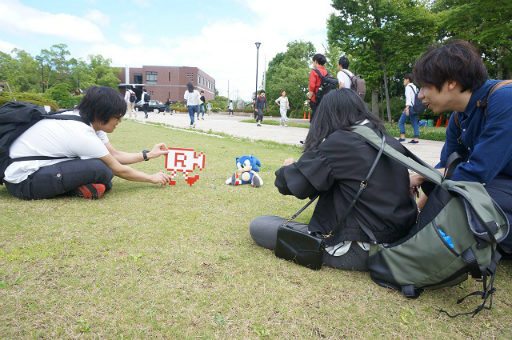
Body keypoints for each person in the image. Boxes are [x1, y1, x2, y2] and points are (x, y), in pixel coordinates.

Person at [250, 89, 417, 270]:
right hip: (398, 243)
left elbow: (289, 184)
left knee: (259, 225)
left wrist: (287, 169)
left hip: (359, 251)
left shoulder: (343, 140)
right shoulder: (388, 140)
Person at [410, 40, 512, 255]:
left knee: (461, 197)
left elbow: (477, 172)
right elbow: (445, 169)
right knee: (445, 188)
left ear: (450, 83)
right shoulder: (458, 117)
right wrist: (414, 215)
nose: (420, 96)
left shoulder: (505, 99)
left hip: (501, 186)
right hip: (502, 186)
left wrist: (421, 176)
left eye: (424, 86)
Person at [3, 86, 171, 200]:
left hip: (39, 169)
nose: (119, 122)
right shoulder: (81, 133)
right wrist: (151, 178)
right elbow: (117, 168)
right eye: (117, 117)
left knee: (101, 168)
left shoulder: (86, 120)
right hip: (24, 182)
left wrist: (149, 155)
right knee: (102, 170)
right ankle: (79, 188)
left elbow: (114, 155)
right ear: (102, 114)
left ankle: (82, 186)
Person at [397, 74, 420, 144]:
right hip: (416, 108)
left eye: (404, 79)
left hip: (410, 107)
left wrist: (407, 108)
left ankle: (402, 137)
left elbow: (409, 99)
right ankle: (416, 139)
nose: (404, 81)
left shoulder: (408, 87)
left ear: (407, 79)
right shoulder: (415, 87)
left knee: (401, 122)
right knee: (414, 123)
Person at [307, 53, 328, 122]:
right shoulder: (327, 73)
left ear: (316, 61)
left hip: (315, 99)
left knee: (314, 120)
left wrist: (309, 99)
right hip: (325, 99)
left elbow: (312, 87)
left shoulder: (314, 72)